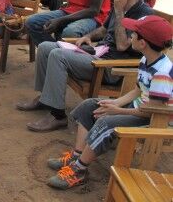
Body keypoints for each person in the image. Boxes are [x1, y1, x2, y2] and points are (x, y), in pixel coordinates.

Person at [16, 0, 153, 132]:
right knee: (46, 47)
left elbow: (122, 45)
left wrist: (118, 11)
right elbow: (104, 29)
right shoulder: (120, 5)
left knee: (58, 55)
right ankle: (46, 98)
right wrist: (88, 36)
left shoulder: (143, 14)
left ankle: (58, 116)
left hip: (112, 68)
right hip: (100, 54)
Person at [46, 14, 172, 190]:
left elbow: (154, 111)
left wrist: (118, 111)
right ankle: (77, 155)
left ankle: (79, 170)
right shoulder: (146, 59)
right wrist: (116, 103)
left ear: (143, 43)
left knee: (106, 123)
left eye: (134, 34)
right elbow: (138, 90)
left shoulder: (162, 73)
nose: (130, 36)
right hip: (139, 109)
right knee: (90, 106)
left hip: (156, 119)